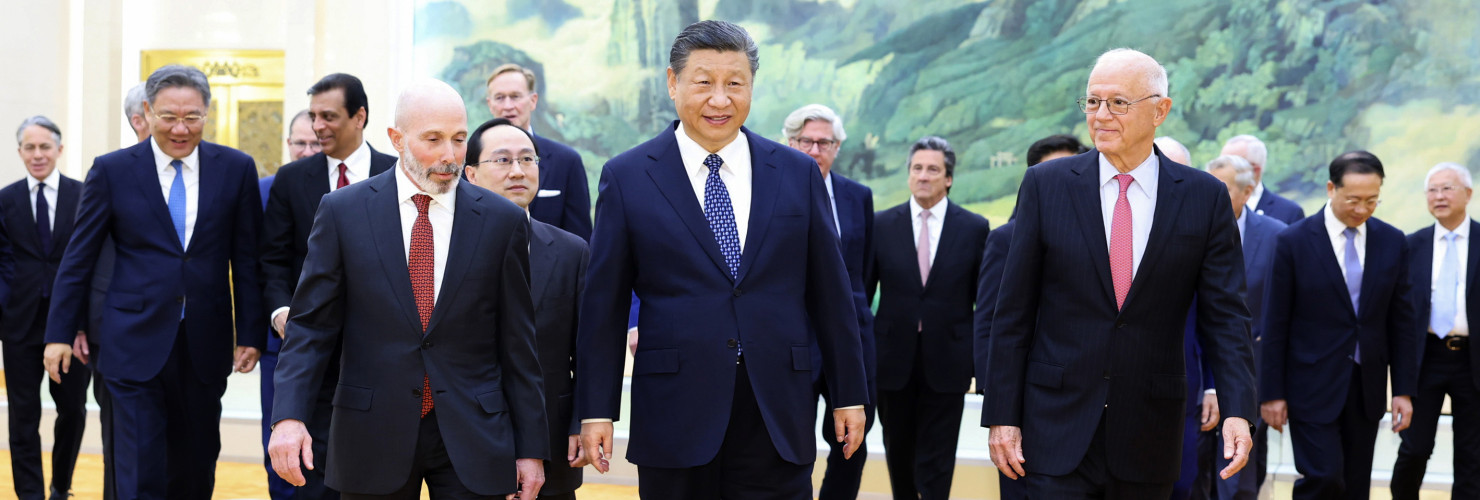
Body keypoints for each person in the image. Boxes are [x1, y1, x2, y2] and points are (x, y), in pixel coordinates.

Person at [575, 20, 869, 499]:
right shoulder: (628, 176)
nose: (720, 99)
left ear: (752, 86)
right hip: (675, 411)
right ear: (673, 83)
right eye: (703, 82)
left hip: (777, 407)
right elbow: (603, 306)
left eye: (735, 83)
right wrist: (596, 410)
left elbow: (832, 295)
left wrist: (849, 394)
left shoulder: (796, 173)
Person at [983, 48, 1257, 498]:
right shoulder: (1046, 185)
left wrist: (1237, 408)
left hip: (1149, 430)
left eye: (1118, 103)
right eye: (1093, 102)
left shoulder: (1203, 198)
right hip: (1053, 426)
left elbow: (1227, 317)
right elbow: (1012, 312)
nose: (1101, 115)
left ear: (1160, 110)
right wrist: (1002, 416)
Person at [268, 79, 547, 500]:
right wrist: (288, 417)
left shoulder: (500, 220)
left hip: (475, 434)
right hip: (371, 431)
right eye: (432, 139)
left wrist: (530, 449)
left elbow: (518, 344)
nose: (449, 155)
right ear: (396, 139)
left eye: (457, 139)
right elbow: (311, 328)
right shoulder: (343, 212)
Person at [42, 64, 267, 500]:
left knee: (194, 470)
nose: (180, 128)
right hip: (131, 343)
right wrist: (59, 333)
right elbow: (78, 258)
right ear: (147, 111)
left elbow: (247, 259)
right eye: (168, 116)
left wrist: (251, 333)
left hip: (204, 342)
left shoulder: (236, 168)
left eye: (192, 117)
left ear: (208, 113)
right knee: (139, 472)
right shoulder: (112, 170)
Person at [260, 73, 397, 500]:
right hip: (311, 346)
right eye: (314, 116)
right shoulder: (291, 179)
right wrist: (283, 311)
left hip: (381, 352)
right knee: (308, 468)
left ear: (360, 117)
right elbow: (273, 260)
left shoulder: (396, 174)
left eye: (329, 116)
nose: (317, 126)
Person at [1261, 150, 1419, 500]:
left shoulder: (1392, 241)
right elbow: (1275, 322)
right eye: (1354, 199)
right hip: (1310, 384)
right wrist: (1271, 392)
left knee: (1355, 482)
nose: (1362, 209)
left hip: (1366, 386)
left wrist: (1404, 390)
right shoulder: (1293, 242)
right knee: (1324, 476)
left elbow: (1402, 321)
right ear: (1331, 189)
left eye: (1372, 201)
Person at [465, 117, 591, 500]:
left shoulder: (571, 251)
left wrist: (582, 420)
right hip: (468, 436)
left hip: (552, 436)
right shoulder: (447, 251)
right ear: (470, 174)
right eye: (502, 161)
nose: (518, 171)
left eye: (527, 159)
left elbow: (586, 350)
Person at [870, 136, 989, 500]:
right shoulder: (880, 224)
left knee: (938, 459)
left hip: (949, 360)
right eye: (917, 168)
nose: (923, 176)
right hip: (892, 360)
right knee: (899, 452)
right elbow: (861, 293)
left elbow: (981, 301)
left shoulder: (973, 228)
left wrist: (977, 361)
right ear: (908, 174)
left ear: (948, 178)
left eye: (933, 169)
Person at [974, 133, 1088, 500]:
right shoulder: (1006, 239)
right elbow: (990, 323)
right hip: (1023, 401)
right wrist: (999, 403)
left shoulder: (1107, 239)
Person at [781, 103, 876, 500]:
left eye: (824, 142)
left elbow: (864, 271)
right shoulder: (773, 195)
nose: (815, 150)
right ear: (790, 143)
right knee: (788, 439)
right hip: (791, 339)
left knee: (852, 441)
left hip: (849, 337)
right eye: (806, 141)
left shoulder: (858, 196)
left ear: (837, 148)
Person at [1, 115, 89, 500]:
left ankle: (60, 486)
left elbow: (90, 261)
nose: (38, 155)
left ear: (59, 149)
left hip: (70, 325)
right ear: (20, 152)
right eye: (29, 148)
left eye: (45, 147)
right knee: (23, 417)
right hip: (18, 323)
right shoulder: (5, 199)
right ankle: (30, 494)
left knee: (72, 410)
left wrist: (84, 323)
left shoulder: (84, 195)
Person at [1391, 162, 1480, 499]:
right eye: (1432, 189)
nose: (1439, 196)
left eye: (1447, 188)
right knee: (1414, 448)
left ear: (1468, 194)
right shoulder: (1410, 245)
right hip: (1425, 357)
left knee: (1473, 455)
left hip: (1472, 359)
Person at [1202, 154, 1287, 500]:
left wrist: (1274, 390)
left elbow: (1282, 316)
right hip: (1194, 372)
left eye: (1220, 189)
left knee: (1242, 473)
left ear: (1249, 190)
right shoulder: (1192, 228)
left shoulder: (1277, 236)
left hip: (1254, 372)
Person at [1151, 135, 1219, 500]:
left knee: (1180, 484)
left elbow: (1216, 319)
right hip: (1112, 391)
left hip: (1184, 388)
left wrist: (1212, 385)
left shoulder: (1202, 231)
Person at [485, 63, 591, 240]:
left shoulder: (566, 162)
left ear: (533, 100)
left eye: (515, 96)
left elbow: (580, 240)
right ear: (490, 104)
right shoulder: (472, 162)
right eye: (500, 97)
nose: (508, 105)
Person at [1221, 135, 1304, 224]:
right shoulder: (1213, 207)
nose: (1221, 171)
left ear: (1255, 170)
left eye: (1231, 166)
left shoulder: (1289, 213)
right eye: (1220, 164)